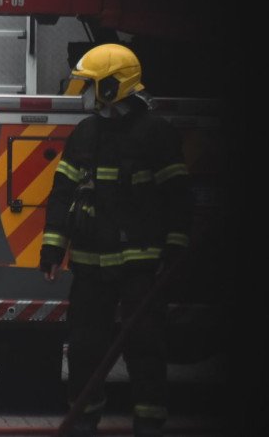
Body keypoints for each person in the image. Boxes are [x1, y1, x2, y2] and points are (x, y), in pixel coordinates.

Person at [39, 44, 192, 437]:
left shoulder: (156, 134)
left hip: (140, 267)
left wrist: (175, 249)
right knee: (86, 348)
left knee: (145, 347)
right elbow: (61, 193)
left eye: (92, 85)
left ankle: (149, 422)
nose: (87, 94)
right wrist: (52, 248)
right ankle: (84, 420)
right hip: (90, 266)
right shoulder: (86, 134)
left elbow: (178, 197)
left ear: (113, 86)